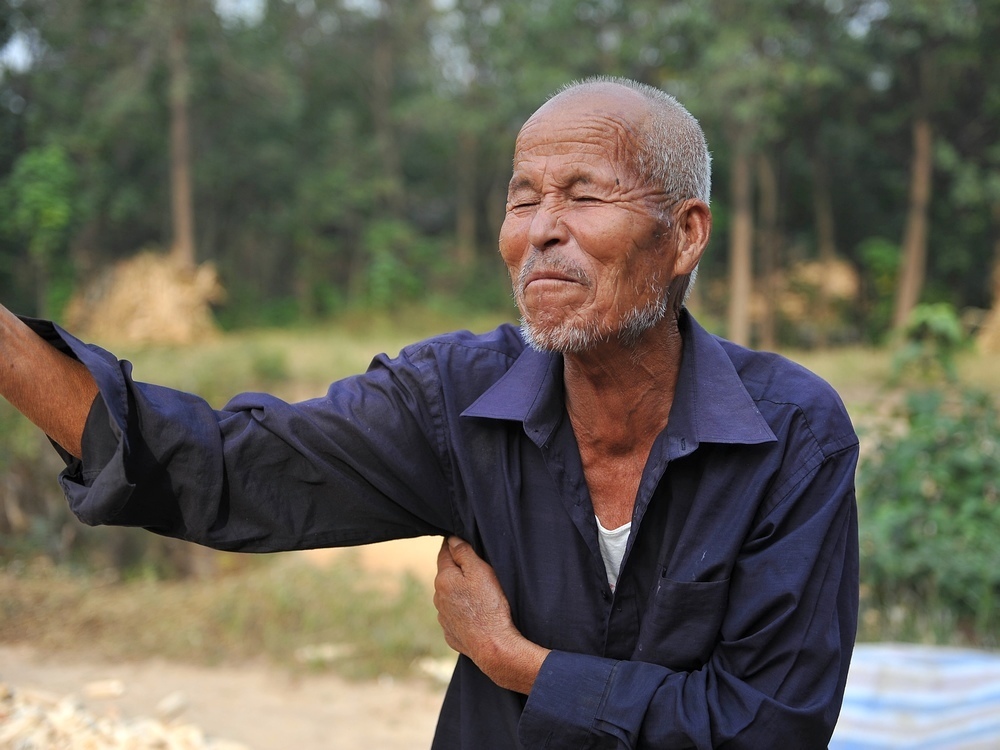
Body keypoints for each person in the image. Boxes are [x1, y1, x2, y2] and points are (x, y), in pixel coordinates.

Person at [0, 77, 859, 748]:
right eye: (523, 198)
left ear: (686, 234)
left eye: (585, 194)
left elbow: (768, 728)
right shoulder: (455, 402)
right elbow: (226, 469)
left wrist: (517, 663)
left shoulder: (791, 437)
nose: (541, 231)